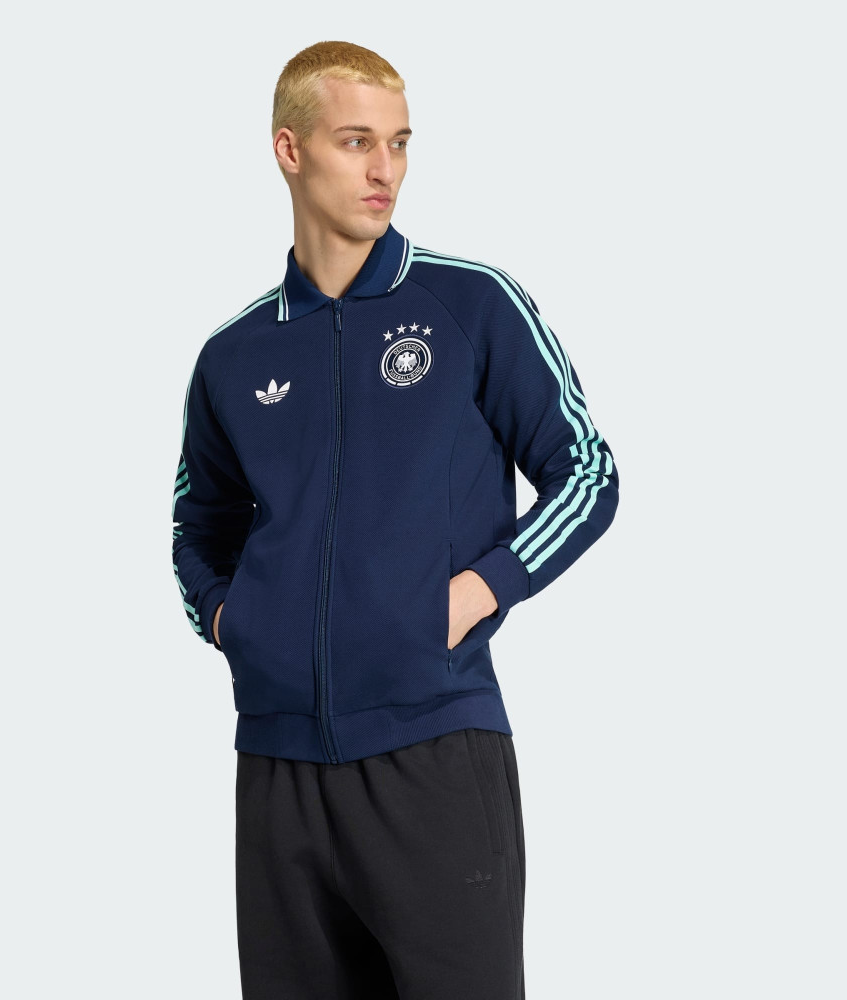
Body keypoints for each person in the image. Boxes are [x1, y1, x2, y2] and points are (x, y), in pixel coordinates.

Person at [171, 39, 619, 1000]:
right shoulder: (234, 356)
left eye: (401, 142)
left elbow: (587, 472)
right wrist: (232, 622)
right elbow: (196, 527)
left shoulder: (469, 304)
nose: (386, 169)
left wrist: (476, 592)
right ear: (290, 149)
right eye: (357, 141)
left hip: (435, 754)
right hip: (278, 769)